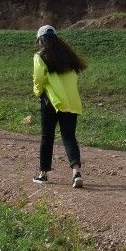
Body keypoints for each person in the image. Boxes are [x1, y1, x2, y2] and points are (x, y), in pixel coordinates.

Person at [31, 24, 87, 186]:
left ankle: (44, 174)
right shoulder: (69, 58)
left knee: (47, 137)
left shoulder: (40, 56)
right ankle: (76, 173)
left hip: (51, 101)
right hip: (71, 102)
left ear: (41, 40)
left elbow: (39, 79)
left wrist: (37, 92)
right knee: (69, 137)